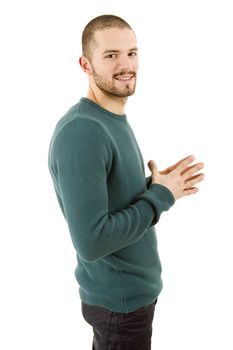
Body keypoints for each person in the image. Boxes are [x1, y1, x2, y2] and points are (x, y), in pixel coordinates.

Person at [48, 14, 204, 350]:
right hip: (119, 308)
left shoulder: (110, 119)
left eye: (132, 53)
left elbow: (111, 202)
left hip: (128, 302)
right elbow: (92, 242)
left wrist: (157, 186)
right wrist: (160, 197)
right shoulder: (83, 131)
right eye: (111, 55)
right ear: (86, 65)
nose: (126, 64)